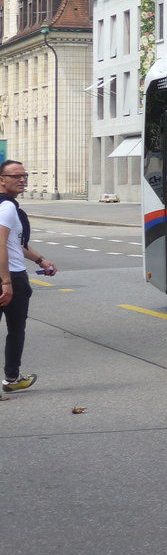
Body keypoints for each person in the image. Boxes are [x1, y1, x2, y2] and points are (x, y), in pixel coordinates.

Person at [0, 160, 58, 392]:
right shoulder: (7, 208)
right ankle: (12, 379)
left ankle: (13, 378)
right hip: (10, 276)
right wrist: (6, 282)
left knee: (16, 329)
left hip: (9, 273)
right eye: (15, 176)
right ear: (1, 179)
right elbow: (1, 244)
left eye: (24, 175)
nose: (22, 179)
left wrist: (40, 260)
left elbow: (15, 244)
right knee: (16, 330)